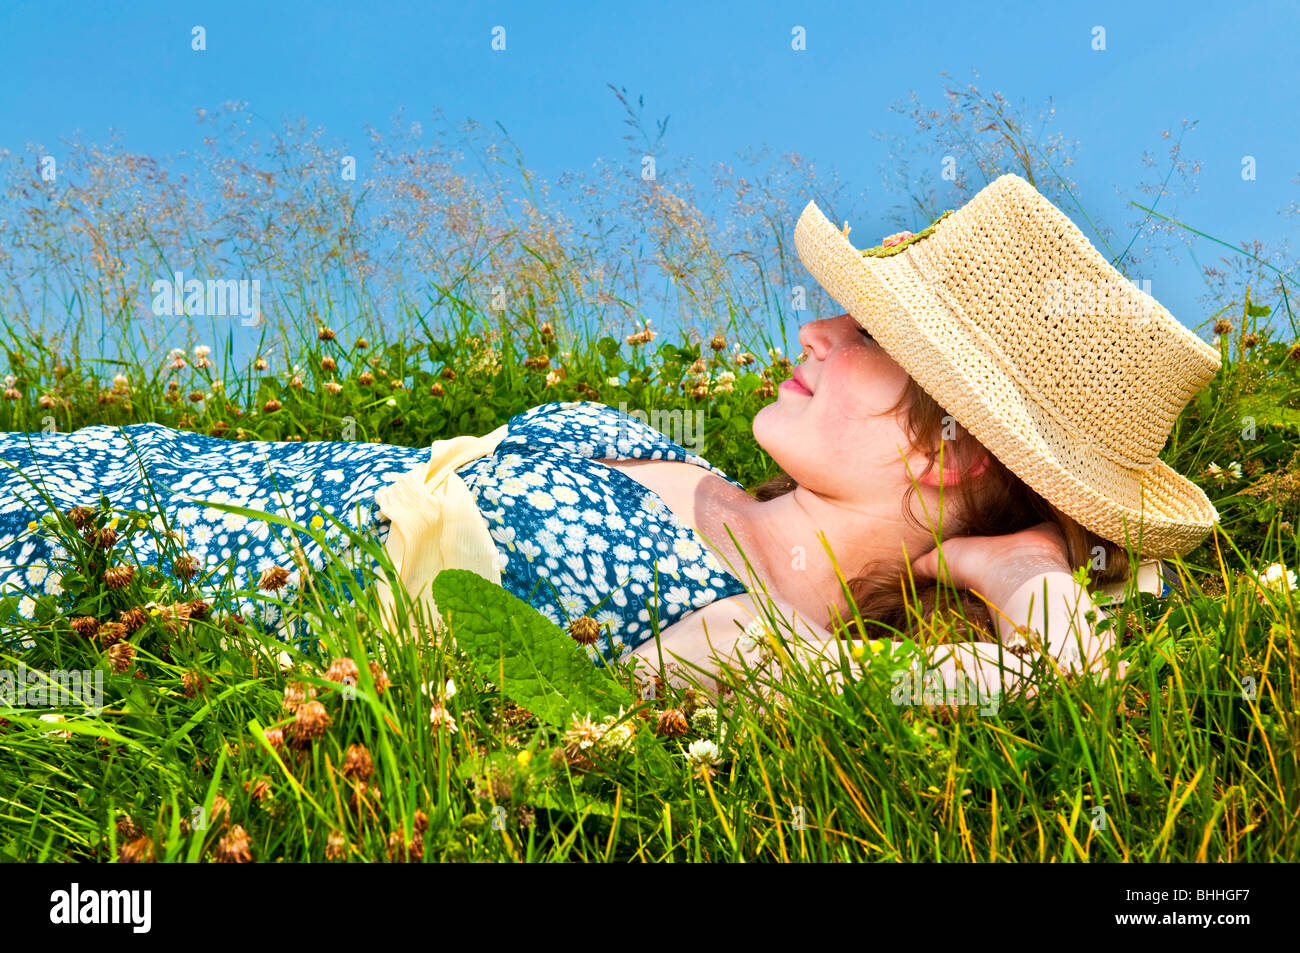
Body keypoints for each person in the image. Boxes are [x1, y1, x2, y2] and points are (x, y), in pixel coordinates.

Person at [0, 174, 1219, 709]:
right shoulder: (647, 442)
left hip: (66, 564)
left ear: (945, 448)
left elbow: (1059, 684)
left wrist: (1023, 572)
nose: (814, 326)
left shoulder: (746, 640)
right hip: (114, 471)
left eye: (870, 336)